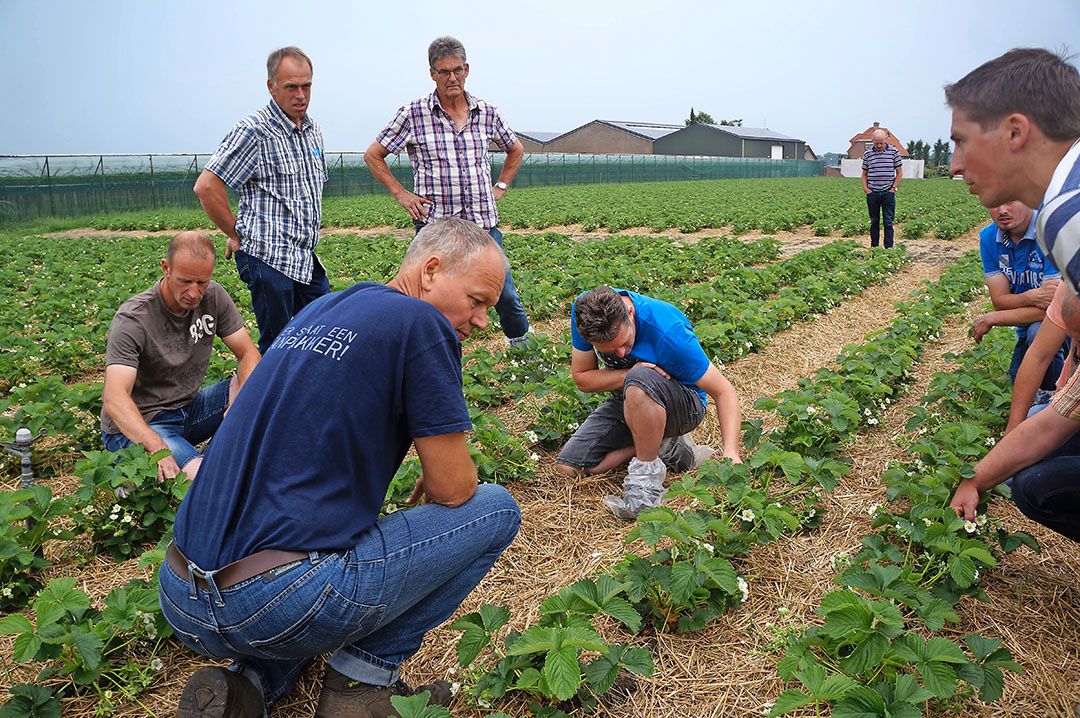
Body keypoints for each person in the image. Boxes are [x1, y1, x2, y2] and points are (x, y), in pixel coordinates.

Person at [161, 218, 522, 718]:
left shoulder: (325, 307)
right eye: (479, 300)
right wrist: (443, 464)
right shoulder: (423, 324)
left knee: (307, 548)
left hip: (180, 593)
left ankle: (249, 684)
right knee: (495, 510)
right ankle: (363, 682)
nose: (483, 319)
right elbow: (456, 491)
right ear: (432, 270)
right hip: (273, 598)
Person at [945, 47, 1080, 542]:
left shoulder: (1070, 216)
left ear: (1015, 132)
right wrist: (979, 476)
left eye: (961, 142)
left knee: (1044, 480)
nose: (955, 165)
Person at [363, 36, 531, 346]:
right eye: (443, 72)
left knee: (503, 291)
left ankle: (521, 342)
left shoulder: (487, 112)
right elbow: (373, 155)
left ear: (467, 69)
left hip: (482, 223)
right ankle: (425, 347)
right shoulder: (414, 114)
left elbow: (515, 149)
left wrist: (501, 186)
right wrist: (402, 194)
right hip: (436, 228)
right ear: (432, 74)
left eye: (457, 70)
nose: (451, 78)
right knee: (427, 294)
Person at [555, 286, 742, 520]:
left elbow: (724, 391)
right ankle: (664, 446)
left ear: (630, 312)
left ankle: (645, 485)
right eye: (611, 351)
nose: (621, 354)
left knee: (639, 380)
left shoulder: (668, 331)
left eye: (625, 343)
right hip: (631, 400)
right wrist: (629, 372)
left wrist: (731, 453)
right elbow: (583, 378)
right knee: (571, 466)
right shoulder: (584, 315)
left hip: (685, 405)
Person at [194, 46, 328, 355]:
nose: (301, 95)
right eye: (291, 87)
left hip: (304, 257)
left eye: (306, 86)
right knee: (278, 345)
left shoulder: (313, 131)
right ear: (271, 87)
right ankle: (272, 400)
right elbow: (207, 186)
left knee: (323, 330)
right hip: (268, 259)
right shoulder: (254, 131)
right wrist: (235, 233)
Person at [100, 231, 259, 483]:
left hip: (187, 410)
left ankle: (214, 457)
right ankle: (183, 467)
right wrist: (155, 445)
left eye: (202, 282)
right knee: (203, 482)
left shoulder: (214, 297)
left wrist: (241, 405)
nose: (194, 293)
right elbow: (114, 398)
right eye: (185, 281)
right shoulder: (134, 319)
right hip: (140, 425)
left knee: (256, 384)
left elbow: (248, 352)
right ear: (166, 268)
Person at [972, 201, 1066, 386]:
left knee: (1037, 331)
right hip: (1029, 324)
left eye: (1010, 201)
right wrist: (1029, 297)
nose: (1002, 210)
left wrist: (993, 318)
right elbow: (1000, 301)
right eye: (994, 203)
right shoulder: (989, 237)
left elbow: (1055, 310)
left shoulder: (1051, 231)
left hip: (1069, 326)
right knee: (1017, 378)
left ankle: (1052, 396)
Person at [861, 129, 903, 249]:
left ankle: (888, 249)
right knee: (874, 222)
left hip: (888, 193)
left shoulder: (894, 152)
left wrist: (894, 187)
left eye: (881, 143)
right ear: (872, 141)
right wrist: (866, 189)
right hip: (873, 193)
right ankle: (874, 248)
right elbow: (864, 173)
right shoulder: (868, 154)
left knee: (888, 222)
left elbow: (899, 172)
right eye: (876, 143)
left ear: (885, 140)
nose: (879, 146)